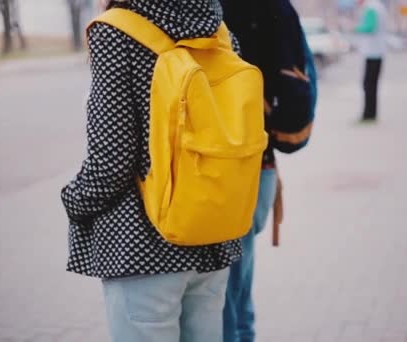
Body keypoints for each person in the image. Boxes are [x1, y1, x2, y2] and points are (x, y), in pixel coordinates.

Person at [60, 1, 242, 341]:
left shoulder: (117, 30)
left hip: (143, 243)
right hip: (212, 232)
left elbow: (110, 162)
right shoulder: (218, 30)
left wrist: (73, 200)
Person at [219, 1, 315, 341]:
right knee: (239, 285)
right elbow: (301, 89)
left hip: (217, 172)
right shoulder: (277, 7)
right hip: (262, 166)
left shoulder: (206, 10)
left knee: (221, 296)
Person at [355, 0, 387, 122]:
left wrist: (356, 28)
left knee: (368, 85)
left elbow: (369, 27)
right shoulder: (379, 6)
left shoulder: (371, 7)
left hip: (372, 52)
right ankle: (371, 114)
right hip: (378, 51)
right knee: (372, 85)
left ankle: (368, 115)